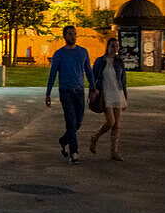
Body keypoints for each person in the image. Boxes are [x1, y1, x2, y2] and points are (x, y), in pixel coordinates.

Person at [45, 25, 97, 165]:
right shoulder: (59, 54)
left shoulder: (83, 52)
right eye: (70, 34)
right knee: (71, 121)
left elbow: (88, 71)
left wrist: (93, 88)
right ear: (64, 36)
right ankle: (74, 153)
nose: (73, 36)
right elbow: (52, 74)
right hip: (66, 91)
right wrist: (48, 93)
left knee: (78, 122)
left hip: (79, 91)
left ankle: (63, 140)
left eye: (74, 34)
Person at [89, 38, 128, 161]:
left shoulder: (119, 62)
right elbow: (92, 77)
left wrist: (125, 98)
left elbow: (123, 80)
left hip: (118, 93)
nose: (115, 49)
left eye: (117, 46)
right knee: (110, 122)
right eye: (113, 46)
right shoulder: (100, 61)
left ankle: (114, 152)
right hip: (105, 94)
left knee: (117, 125)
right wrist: (92, 91)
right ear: (107, 47)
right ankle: (95, 137)